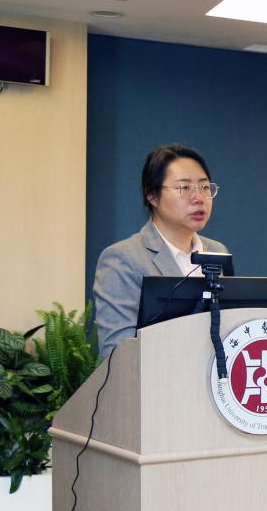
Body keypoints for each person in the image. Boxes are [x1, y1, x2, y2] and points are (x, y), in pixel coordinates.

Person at [93, 144, 229, 359]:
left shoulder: (217, 252)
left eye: (204, 187)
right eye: (184, 187)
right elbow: (117, 355)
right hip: (155, 378)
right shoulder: (122, 259)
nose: (198, 197)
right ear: (152, 196)